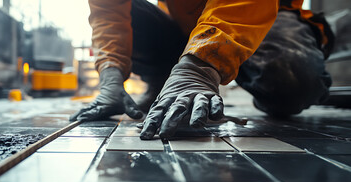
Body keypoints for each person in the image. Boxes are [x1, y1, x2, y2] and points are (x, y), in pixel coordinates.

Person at [70, 0, 334, 140]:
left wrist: (199, 68)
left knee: (291, 80)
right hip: (185, 26)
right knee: (135, 16)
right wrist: (110, 74)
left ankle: (201, 72)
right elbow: (109, 12)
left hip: (263, 13)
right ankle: (165, 79)